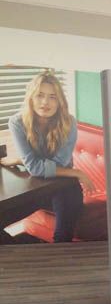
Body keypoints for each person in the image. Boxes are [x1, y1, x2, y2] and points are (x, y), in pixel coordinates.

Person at [0, 71, 95, 243]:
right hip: (36, 189)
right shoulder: (17, 122)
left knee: (62, 238)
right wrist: (76, 172)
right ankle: (25, 254)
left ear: (60, 101)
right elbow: (36, 168)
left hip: (64, 186)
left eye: (52, 97)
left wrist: (27, 162)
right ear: (31, 97)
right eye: (40, 95)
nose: (45, 102)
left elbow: (54, 164)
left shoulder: (68, 122)